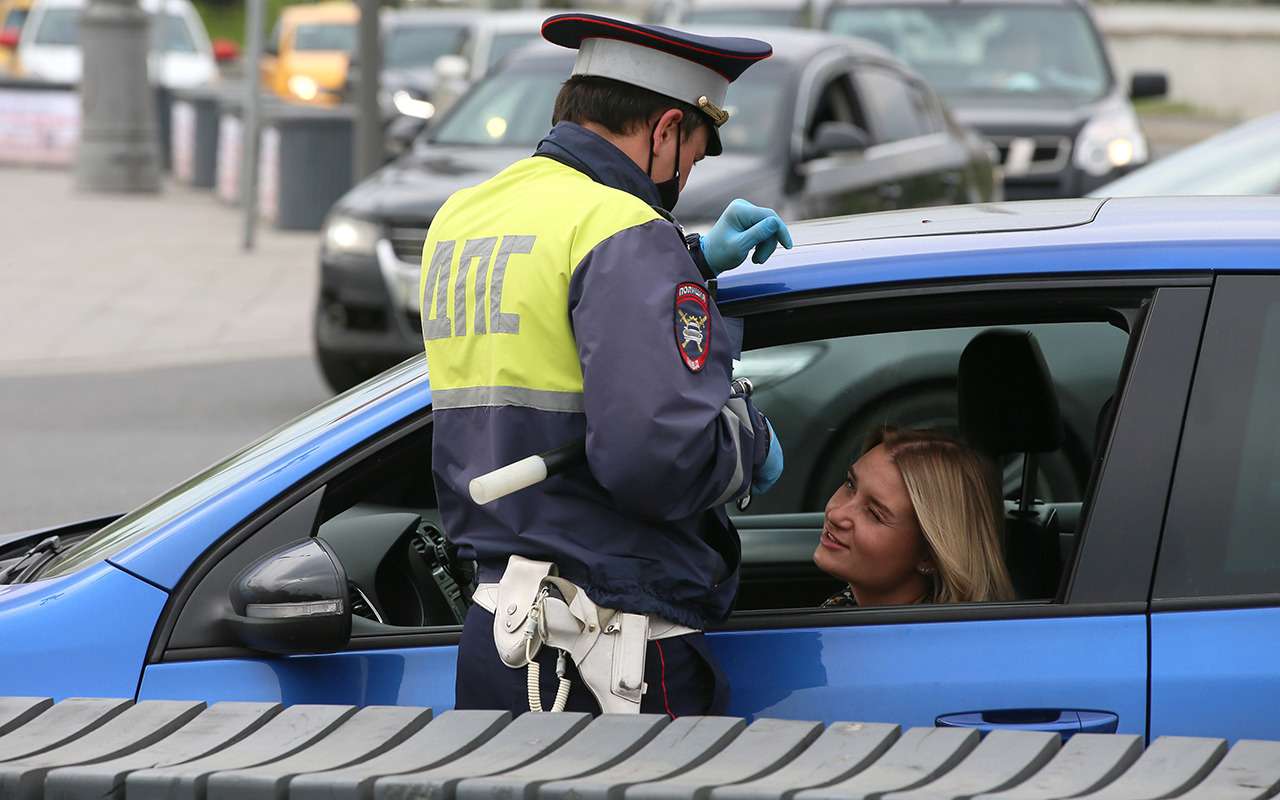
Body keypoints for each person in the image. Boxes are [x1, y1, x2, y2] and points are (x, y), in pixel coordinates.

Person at [419, 12, 791, 717]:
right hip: (608, 653)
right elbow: (658, 461)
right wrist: (750, 438)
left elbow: (546, 344)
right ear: (665, 130)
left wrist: (688, 269)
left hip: (502, 630)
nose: (685, 175)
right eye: (694, 152)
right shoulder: (623, 230)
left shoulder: (465, 216)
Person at [814, 427, 1015, 607]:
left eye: (874, 514)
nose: (836, 513)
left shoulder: (929, 644)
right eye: (850, 485)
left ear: (929, 556)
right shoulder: (847, 609)